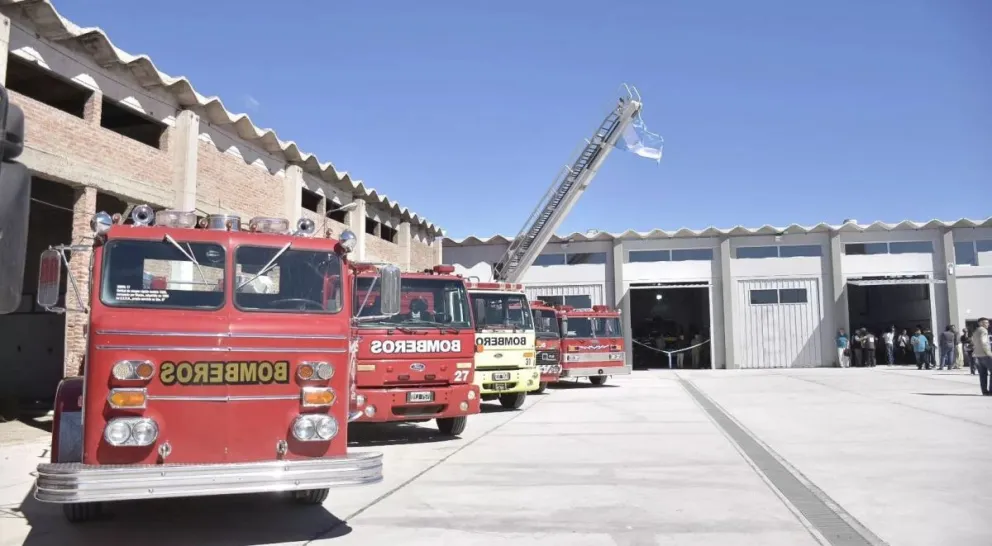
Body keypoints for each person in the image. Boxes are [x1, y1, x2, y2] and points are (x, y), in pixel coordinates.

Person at [971, 318, 991, 395]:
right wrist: (989, 353)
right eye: (986, 322)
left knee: (982, 374)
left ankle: (984, 391)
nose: (988, 324)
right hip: (985, 355)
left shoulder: (975, 331)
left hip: (977, 355)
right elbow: (984, 342)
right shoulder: (983, 330)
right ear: (980, 323)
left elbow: (973, 342)